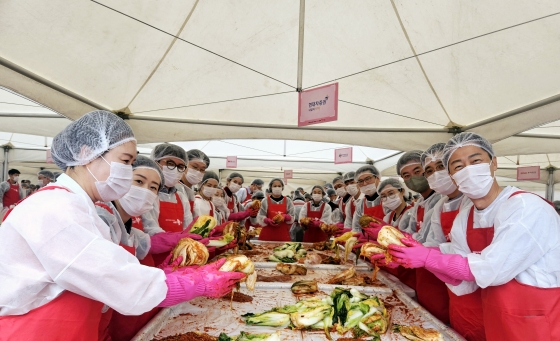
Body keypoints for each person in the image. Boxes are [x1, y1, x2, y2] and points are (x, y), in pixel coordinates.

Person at [0, 110, 244, 341]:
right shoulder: (55, 208)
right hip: (37, 331)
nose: (127, 172)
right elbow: (114, 279)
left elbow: (115, 264)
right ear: (87, 153)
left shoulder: (81, 205)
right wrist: (197, 282)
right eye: (125, 161)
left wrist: (168, 273)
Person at [389, 132, 560, 341]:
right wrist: (414, 253)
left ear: (493, 163)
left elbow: (492, 268)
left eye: (475, 161)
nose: (468, 170)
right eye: (458, 166)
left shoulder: (526, 207)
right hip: (495, 317)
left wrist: (426, 258)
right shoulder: (465, 216)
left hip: (535, 322)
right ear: (452, 176)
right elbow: (464, 278)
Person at [95, 155, 209, 341]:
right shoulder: (101, 219)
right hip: (104, 310)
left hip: (120, 307)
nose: (145, 191)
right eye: (138, 181)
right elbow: (116, 281)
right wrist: (192, 283)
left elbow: (146, 243)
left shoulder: (127, 225)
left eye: (153, 188)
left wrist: (178, 240)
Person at [413, 143, 468, 324]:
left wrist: (427, 255)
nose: (435, 174)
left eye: (441, 166)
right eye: (429, 170)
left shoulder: (473, 201)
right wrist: (413, 249)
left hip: (478, 283)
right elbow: (432, 242)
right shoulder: (440, 205)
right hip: (451, 283)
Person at [396, 151, 442, 235]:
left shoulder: (441, 198)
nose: (413, 178)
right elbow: (411, 232)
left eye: (417, 171)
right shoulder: (419, 204)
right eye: (406, 176)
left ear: (427, 170)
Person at [351, 165, 385, 232]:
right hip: (367, 241)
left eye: (368, 179)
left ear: (377, 178)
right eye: (360, 181)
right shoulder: (360, 205)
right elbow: (356, 228)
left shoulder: (387, 199)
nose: (365, 183)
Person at [178, 149, 210, 216]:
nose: (198, 172)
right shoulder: (176, 189)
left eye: (202, 169)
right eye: (195, 167)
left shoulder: (190, 191)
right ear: (184, 165)